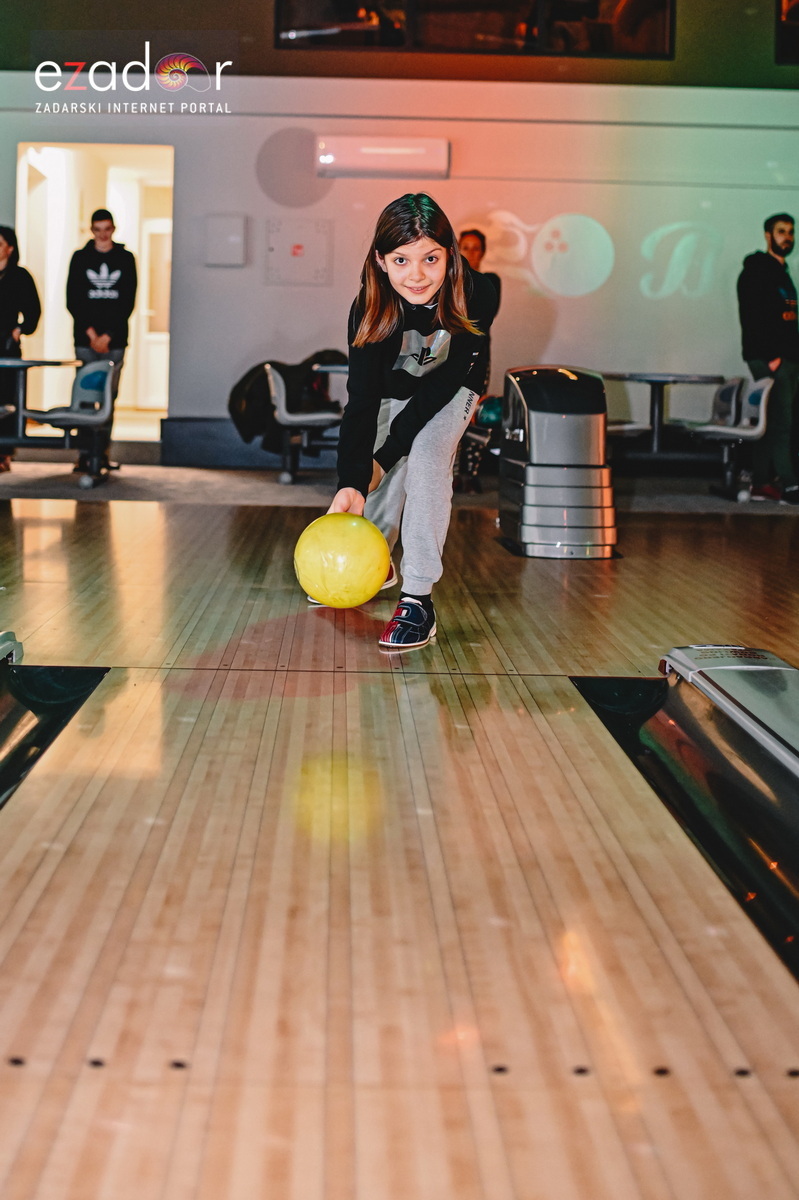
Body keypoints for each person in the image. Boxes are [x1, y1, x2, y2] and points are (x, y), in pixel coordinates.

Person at [327, 193, 498, 650]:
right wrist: (352, 481)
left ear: (449, 256)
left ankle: (419, 598)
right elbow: (361, 401)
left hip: (454, 387)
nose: (417, 274)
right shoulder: (368, 308)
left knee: (422, 458)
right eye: (401, 260)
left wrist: (384, 457)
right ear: (381, 261)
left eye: (430, 258)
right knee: (373, 469)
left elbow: (437, 393)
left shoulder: (475, 293)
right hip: (395, 389)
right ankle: (376, 560)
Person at [66, 209, 137, 470]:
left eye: (107, 229)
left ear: (113, 229)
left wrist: (108, 336)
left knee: (109, 397)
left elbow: (128, 301)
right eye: (98, 229)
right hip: (86, 340)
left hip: (115, 341)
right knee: (84, 397)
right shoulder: (80, 258)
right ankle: (84, 453)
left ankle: (102, 452)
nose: (103, 234)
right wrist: (93, 335)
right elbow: (73, 300)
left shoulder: (126, 258)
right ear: (92, 230)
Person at [736, 212, 799, 504]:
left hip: (787, 359)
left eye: (791, 232)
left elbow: (786, 321)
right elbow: (752, 318)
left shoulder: (782, 273)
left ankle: (761, 482)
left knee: (771, 421)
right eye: (781, 231)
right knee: (781, 423)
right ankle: (789, 485)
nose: (788, 237)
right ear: (767, 235)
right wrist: (772, 357)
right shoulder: (756, 271)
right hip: (771, 359)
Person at [455, 228, 502, 493]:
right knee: (447, 414)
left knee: (473, 412)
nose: (470, 253)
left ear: (482, 252)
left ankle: (469, 474)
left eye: (475, 248)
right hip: (449, 357)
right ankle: (450, 473)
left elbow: (485, 315)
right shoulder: (448, 281)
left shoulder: (490, 281)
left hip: (479, 356)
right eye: (466, 247)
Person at [0, 225, 41, 472]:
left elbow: (33, 312)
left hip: (7, 346)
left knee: (7, 398)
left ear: (10, 248)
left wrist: (19, 330)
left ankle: (5, 452)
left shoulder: (19, 276)